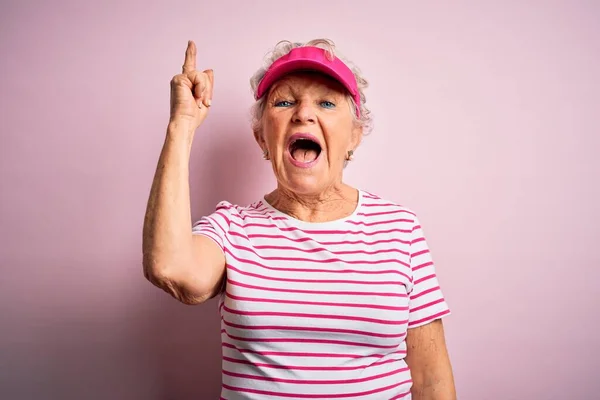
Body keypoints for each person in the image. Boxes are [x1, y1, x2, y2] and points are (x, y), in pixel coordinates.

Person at [143, 38, 456, 400]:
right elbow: (170, 268)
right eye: (285, 102)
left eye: (326, 102)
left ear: (354, 136)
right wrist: (181, 125)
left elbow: (431, 378)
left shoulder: (400, 229)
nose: (303, 114)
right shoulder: (231, 229)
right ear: (262, 137)